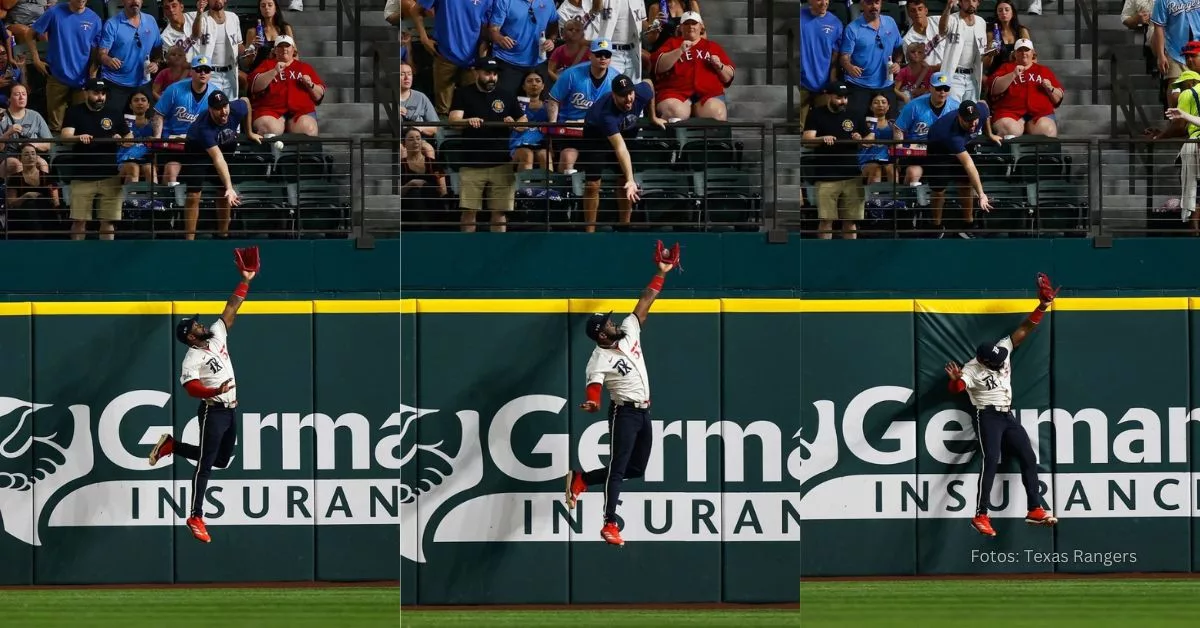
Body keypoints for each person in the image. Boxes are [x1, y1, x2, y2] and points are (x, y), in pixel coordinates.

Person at [565, 247, 678, 547]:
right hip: (624, 413)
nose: (614, 324)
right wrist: (593, 401)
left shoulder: (628, 331)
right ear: (601, 334)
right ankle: (609, 524)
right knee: (618, 466)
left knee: (637, 468)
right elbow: (595, 383)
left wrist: (661, 273)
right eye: (608, 324)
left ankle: (583, 479)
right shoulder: (598, 356)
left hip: (644, 412)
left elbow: (644, 302)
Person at [148, 250, 259, 543]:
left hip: (230, 409)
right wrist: (213, 391)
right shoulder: (191, 357)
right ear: (189, 336)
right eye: (195, 325)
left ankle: (172, 445)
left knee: (221, 460)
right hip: (213, 409)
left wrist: (245, 281)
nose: (200, 324)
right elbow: (190, 388)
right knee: (206, 464)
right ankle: (195, 515)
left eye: (198, 323)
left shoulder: (216, 335)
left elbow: (230, 309)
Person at [944, 272, 1061, 538]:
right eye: (994, 363)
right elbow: (958, 388)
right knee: (992, 460)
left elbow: (1024, 330)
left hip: (1007, 416)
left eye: (1000, 360)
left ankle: (1034, 509)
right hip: (987, 417)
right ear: (982, 360)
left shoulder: (1001, 351)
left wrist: (1042, 306)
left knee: (1029, 457)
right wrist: (954, 381)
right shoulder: (972, 369)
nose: (1000, 364)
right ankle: (980, 515)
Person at [578, 74, 667, 232]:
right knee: (592, 185)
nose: (628, 99)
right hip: (596, 136)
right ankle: (589, 233)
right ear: (613, 95)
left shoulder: (641, 92)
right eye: (622, 95)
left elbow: (649, 83)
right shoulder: (606, 115)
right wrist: (631, 179)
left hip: (626, 132)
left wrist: (652, 117)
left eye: (630, 93)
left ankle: (624, 227)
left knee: (623, 181)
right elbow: (620, 148)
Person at [180, 90, 264, 239]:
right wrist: (230, 187)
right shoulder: (203, 128)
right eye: (218, 109)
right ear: (210, 109)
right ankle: (189, 241)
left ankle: (223, 235)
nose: (223, 112)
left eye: (225, 106)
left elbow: (246, 101)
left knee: (223, 192)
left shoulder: (236, 108)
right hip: (197, 152)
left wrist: (249, 132)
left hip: (224, 147)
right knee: (194, 195)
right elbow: (217, 158)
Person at [923, 99, 999, 237]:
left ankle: (968, 225)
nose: (973, 124)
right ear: (959, 117)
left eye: (974, 120)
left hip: (964, 145)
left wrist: (989, 134)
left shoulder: (980, 111)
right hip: (939, 150)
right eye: (968, 121)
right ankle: (936, 227)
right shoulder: (950, 134)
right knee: (939, 191)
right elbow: (969, 165)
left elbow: (984, 105)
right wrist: (982, 194)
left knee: (965, 184)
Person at [802, 81, 867, 239]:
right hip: (826, 176)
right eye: (839, 97)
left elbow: (869, 137)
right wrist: (822, 138)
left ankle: (849, 257)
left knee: (850, 222)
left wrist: (860, 137)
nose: (843, 101)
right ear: (829, 96)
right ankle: (825, 257)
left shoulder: (855, 113)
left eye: (845, 98)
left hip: (852, 175)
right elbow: (807, 138)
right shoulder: (816, 113)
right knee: (826, 221)